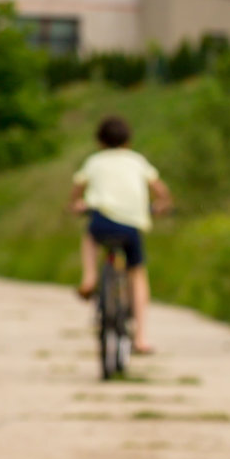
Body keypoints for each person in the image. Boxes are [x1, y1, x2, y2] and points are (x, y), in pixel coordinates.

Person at [70, 115, 172, 355]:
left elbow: (77, 189)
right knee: (137, 274)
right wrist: (162, 205)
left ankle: (90, 277)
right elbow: (160, 190)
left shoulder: (94, 161)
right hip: (131, 223)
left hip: (102, 219)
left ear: (100, 141)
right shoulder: (137, 161)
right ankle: (141, 338)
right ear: (128, 140)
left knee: (90, 236)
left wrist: (76, 204)